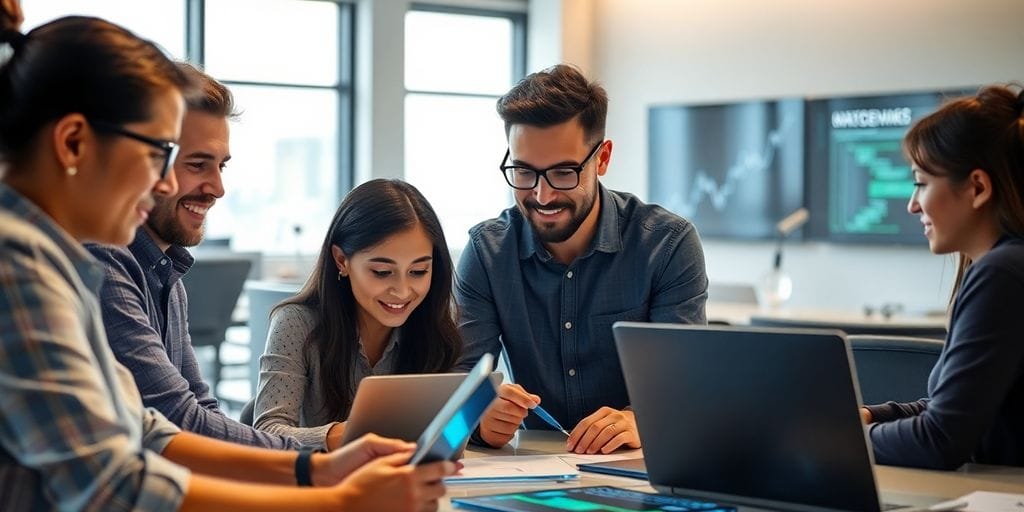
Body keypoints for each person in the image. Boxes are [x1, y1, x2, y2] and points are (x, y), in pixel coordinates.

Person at [0, 11, 452, 511]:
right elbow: (112, 485)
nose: (166, 183)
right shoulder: (16, 264)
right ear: (73, 143)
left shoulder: (57, 262)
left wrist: (317, 466)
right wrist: (340, 500)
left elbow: (148, 430)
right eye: (157, 155)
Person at [455, 64, 708, 454]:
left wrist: (640, 418)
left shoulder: (667, 245)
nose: (541, 195)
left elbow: (688, 388)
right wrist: (478, 421)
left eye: (563, 172)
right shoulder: (487, 252)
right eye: (523, 171)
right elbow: (455, 398)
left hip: (637, 467)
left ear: (602, 158)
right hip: (527, 471)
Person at [86, 62, 310, 450]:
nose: (218, 188)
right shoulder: (104, 261)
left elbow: (199, 409)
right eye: (196, 164)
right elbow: (178, 419)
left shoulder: (166, 274)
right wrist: (315, 458)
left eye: (220, 166)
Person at [860, 85, 1024, 470]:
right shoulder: (1006, 267)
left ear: (978, 188)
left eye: (921, 182)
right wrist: (870, 416)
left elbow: (939, 439)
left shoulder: (1002, 274)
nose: (912, 204)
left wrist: (835, 438)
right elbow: (953, 408)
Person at [254, 178, 462, 446]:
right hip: (320, 483)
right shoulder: (296, 323)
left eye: (418, 271)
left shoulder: (434, 325)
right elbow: (266, 433)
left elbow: (445, 434)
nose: (402, 291)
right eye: (382, 272)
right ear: (342, 261)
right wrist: (342, 436)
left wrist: (479, 423)